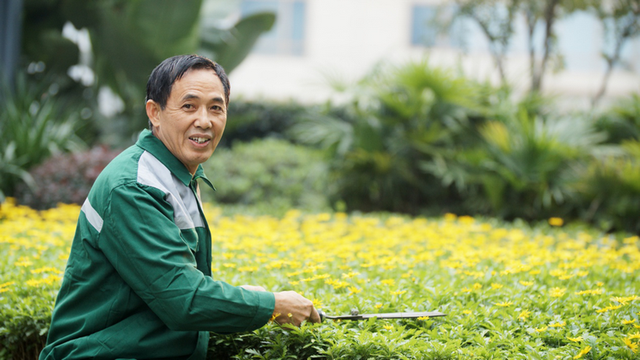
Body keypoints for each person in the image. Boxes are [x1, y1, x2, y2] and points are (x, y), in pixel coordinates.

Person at [39, 54, 321, 360]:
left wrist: (249, 299)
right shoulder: (134, 186)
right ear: (155, 112)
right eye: (189, 106)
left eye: (216, 108)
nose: (204, 120)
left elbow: (173, 282)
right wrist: (272, 305)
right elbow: (183, 299)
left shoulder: (177, 173)